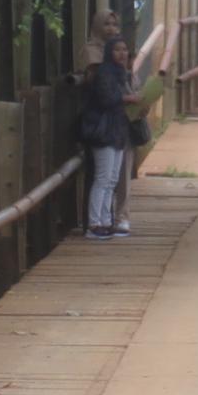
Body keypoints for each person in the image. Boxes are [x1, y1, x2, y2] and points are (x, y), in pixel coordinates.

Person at [77, 31, 147, 239]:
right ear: (109, 52)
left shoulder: (122, 73)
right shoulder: (105, 73)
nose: (122, 53)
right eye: (117, 49)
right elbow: (106, 98)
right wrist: (128, 98)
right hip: (104, 131)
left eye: (125, 50)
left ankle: (106, 221)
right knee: (103, 177)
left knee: (112, 179)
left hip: (117, 131)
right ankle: (94, 223)